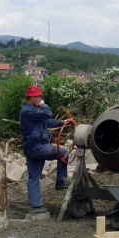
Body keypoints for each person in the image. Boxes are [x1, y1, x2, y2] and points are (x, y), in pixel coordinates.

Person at [20, 85, 75, 214]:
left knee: (34, 177)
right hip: (36, 147)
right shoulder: (27, 110)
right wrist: (44, 105)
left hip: (31, 148)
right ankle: (60, 181)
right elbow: (47, 113)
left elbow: (47, 121)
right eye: (39, 97)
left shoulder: (32, 111)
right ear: (33, 97)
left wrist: (64, 121)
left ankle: (35, 207)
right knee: (63, 153)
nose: (40, 99)